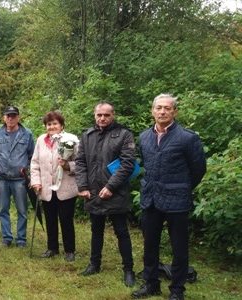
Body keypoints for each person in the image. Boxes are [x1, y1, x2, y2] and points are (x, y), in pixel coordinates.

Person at [131, 94, 206, 300]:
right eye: (158, 108)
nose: (162, 112)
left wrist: (182, 187)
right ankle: (151, 283)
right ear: (152, 111)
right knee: (150, 244)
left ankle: (177, 290)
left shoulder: (187, 138)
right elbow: (144, 164)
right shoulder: (144, 136)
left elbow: (198, 169)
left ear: (175, 112)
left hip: (177, 200)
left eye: (167, 108)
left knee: (179, 247)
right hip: (151, 199)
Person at [75, 102, 136, 287]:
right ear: (95, 115)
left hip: (115, 192)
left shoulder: (124, 135)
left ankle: (128, 270)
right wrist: (82, 186)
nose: (102, 118)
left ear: (113, 115)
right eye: (99, 115)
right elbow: (80, 162)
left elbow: (127, 164)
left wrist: (111, 187)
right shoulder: (87, 135)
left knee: (121, 231)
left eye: (106, 115)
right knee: (96, 230)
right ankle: (94, 264)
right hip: (93, 191)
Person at [30, 111, 78, 262]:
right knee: (50, 219)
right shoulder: (40, 140)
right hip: (46, 188)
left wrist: (68, 166)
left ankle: (70, 250)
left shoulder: (71, 140)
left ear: (61, 125)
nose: (52, 127)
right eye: (49, 124)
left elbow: (81, 163)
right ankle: (52, 248)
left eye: (55, 124)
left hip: (66, 187)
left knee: (66, 219)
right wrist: (35, 181)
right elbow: (35, 163)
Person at [0, 106, 35, 248]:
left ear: (18, 117)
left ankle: (21, 239)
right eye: (8, 116)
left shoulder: (27, 134)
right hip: (1, 177)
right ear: (4, 118)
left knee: (22, 210)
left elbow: (33, 156)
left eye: (13, 115)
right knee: (3, 209)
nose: (11, 118)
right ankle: (7, 237)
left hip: (20, 179)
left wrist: (30, 174)